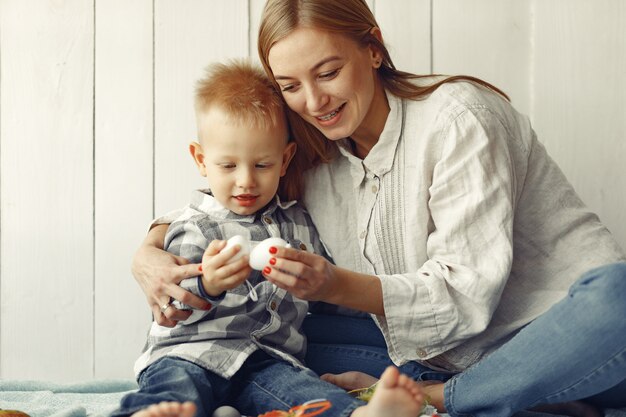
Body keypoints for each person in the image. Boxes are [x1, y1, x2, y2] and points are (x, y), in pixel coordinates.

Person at [131, 1, 626, 417]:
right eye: (290, 85)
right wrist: (151, 247)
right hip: (430, 352)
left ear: (373, 48)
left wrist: (333, 283)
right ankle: (504, 399)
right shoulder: (310, 147)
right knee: (259, 338)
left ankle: (444, 400)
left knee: (619, 298)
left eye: (328, 72)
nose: (313, 100)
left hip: (556, 335)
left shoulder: (460, 118)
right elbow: (232, 190)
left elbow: (464, 298)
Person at [116, 59, 426, 417]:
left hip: (267, 360)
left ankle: (356, 414)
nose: (246, 180)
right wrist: (209, 283)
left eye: (262, 165)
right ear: (201, 160)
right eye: (228, 166)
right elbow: (172, 312)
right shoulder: (194, 227)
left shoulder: (298, 224)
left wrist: (322, 284)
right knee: (177, 387)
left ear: (284, 159)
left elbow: (327, 295)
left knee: (302, 390)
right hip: (193, 353)